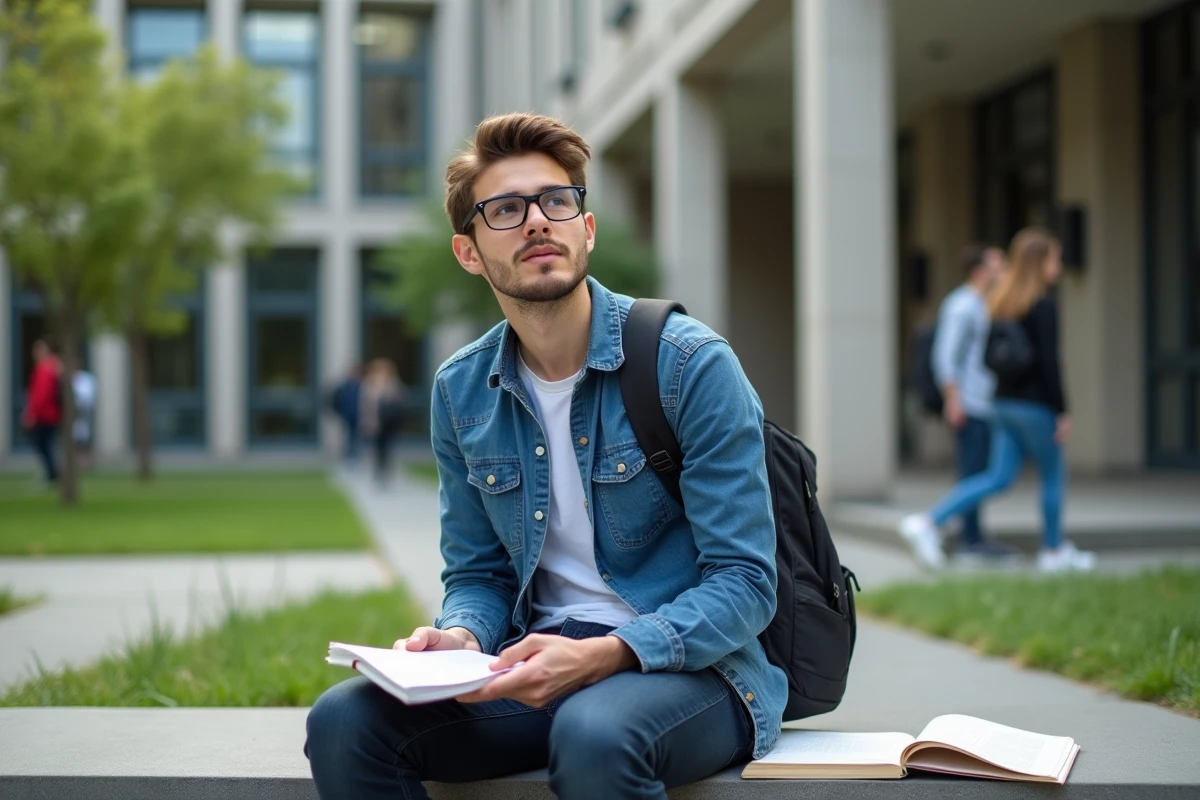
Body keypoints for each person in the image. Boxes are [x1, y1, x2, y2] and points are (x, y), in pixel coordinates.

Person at [305, 113, 784, 799]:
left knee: (594, 732)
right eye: (505, 209)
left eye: (556, 202)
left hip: (692, 671)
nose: (536, 221)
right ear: (468, 252)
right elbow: (478, 571)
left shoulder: (690, 363)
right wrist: (464, 638)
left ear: (584, 230)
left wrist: (605, 654)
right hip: (535, 665)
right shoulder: (462, 390)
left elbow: (745, 582)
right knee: (345, 721)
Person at [899, 228, 1096, 574]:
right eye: (1055, 258)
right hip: (1035, 406)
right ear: (1040, 263)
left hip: (1002, 405)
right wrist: (1062, 410)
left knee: (997, 476)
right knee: (1052, 474)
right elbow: (1050, 365)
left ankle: (929, 522)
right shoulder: (1042, 307)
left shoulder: (999, 303)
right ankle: (1053, 551)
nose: (1059, 266)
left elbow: (990, 359)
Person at [903, 244, 1019, 568]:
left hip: (987, 403)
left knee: (980, 471)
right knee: (972, 471)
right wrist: (954, 401)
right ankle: (968, 538)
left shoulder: (986, 304)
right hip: (969, 403)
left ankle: (974, 537)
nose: (1003, 270)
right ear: (979, 270)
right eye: (998, 264)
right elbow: (946, 356)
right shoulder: (962, 305)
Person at [22, 338, 62, 484]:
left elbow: (41, 394)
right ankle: (52, 472)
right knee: (45, 444)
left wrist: (32, 413)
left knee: (43, 444)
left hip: (45, 415)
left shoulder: (45, 369)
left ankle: (52, 473)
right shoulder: (51, 367)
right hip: (49, 414)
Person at [358, 358, 405, 485]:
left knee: (388, 447)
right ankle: (378, 471)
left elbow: (398, 399)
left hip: (389, 422)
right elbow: (365, 405)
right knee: (376, 447)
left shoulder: (393, 383)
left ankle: (386, 470)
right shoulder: (369, 384)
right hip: (375, 422)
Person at [329, 364, 363, 463]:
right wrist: (339, 413)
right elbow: (334, 401)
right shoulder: (343, 387)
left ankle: (355, 456)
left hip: (359, 416)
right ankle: (348, 456)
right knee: (347, 436)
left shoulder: (362, 386)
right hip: (347, 416)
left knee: (357, 437)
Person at [71, 360, 97, 471]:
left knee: (86, 436)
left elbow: (87, 397)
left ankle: (87, 463)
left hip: (85, 411)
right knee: (76, 436)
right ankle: (77, 462)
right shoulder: (71, 379)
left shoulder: (86, 379)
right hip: (74, 412)